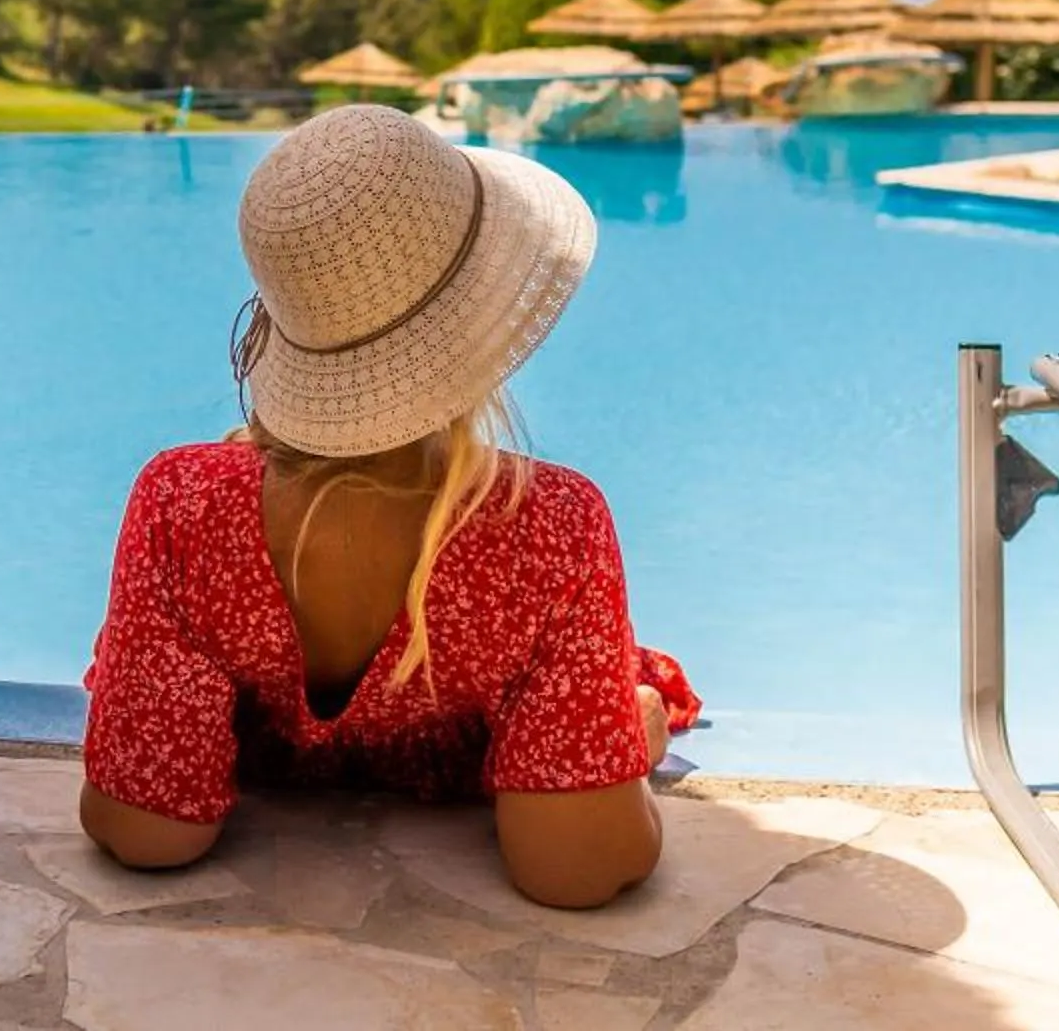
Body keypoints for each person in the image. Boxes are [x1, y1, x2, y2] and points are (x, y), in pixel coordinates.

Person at [79, 104, 699, 908]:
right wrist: (625, 744)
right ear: (480, 323)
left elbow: (145, 832)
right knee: (620, 699)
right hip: (497, 737)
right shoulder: (550, 527)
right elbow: (577, 871)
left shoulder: (182, 504)